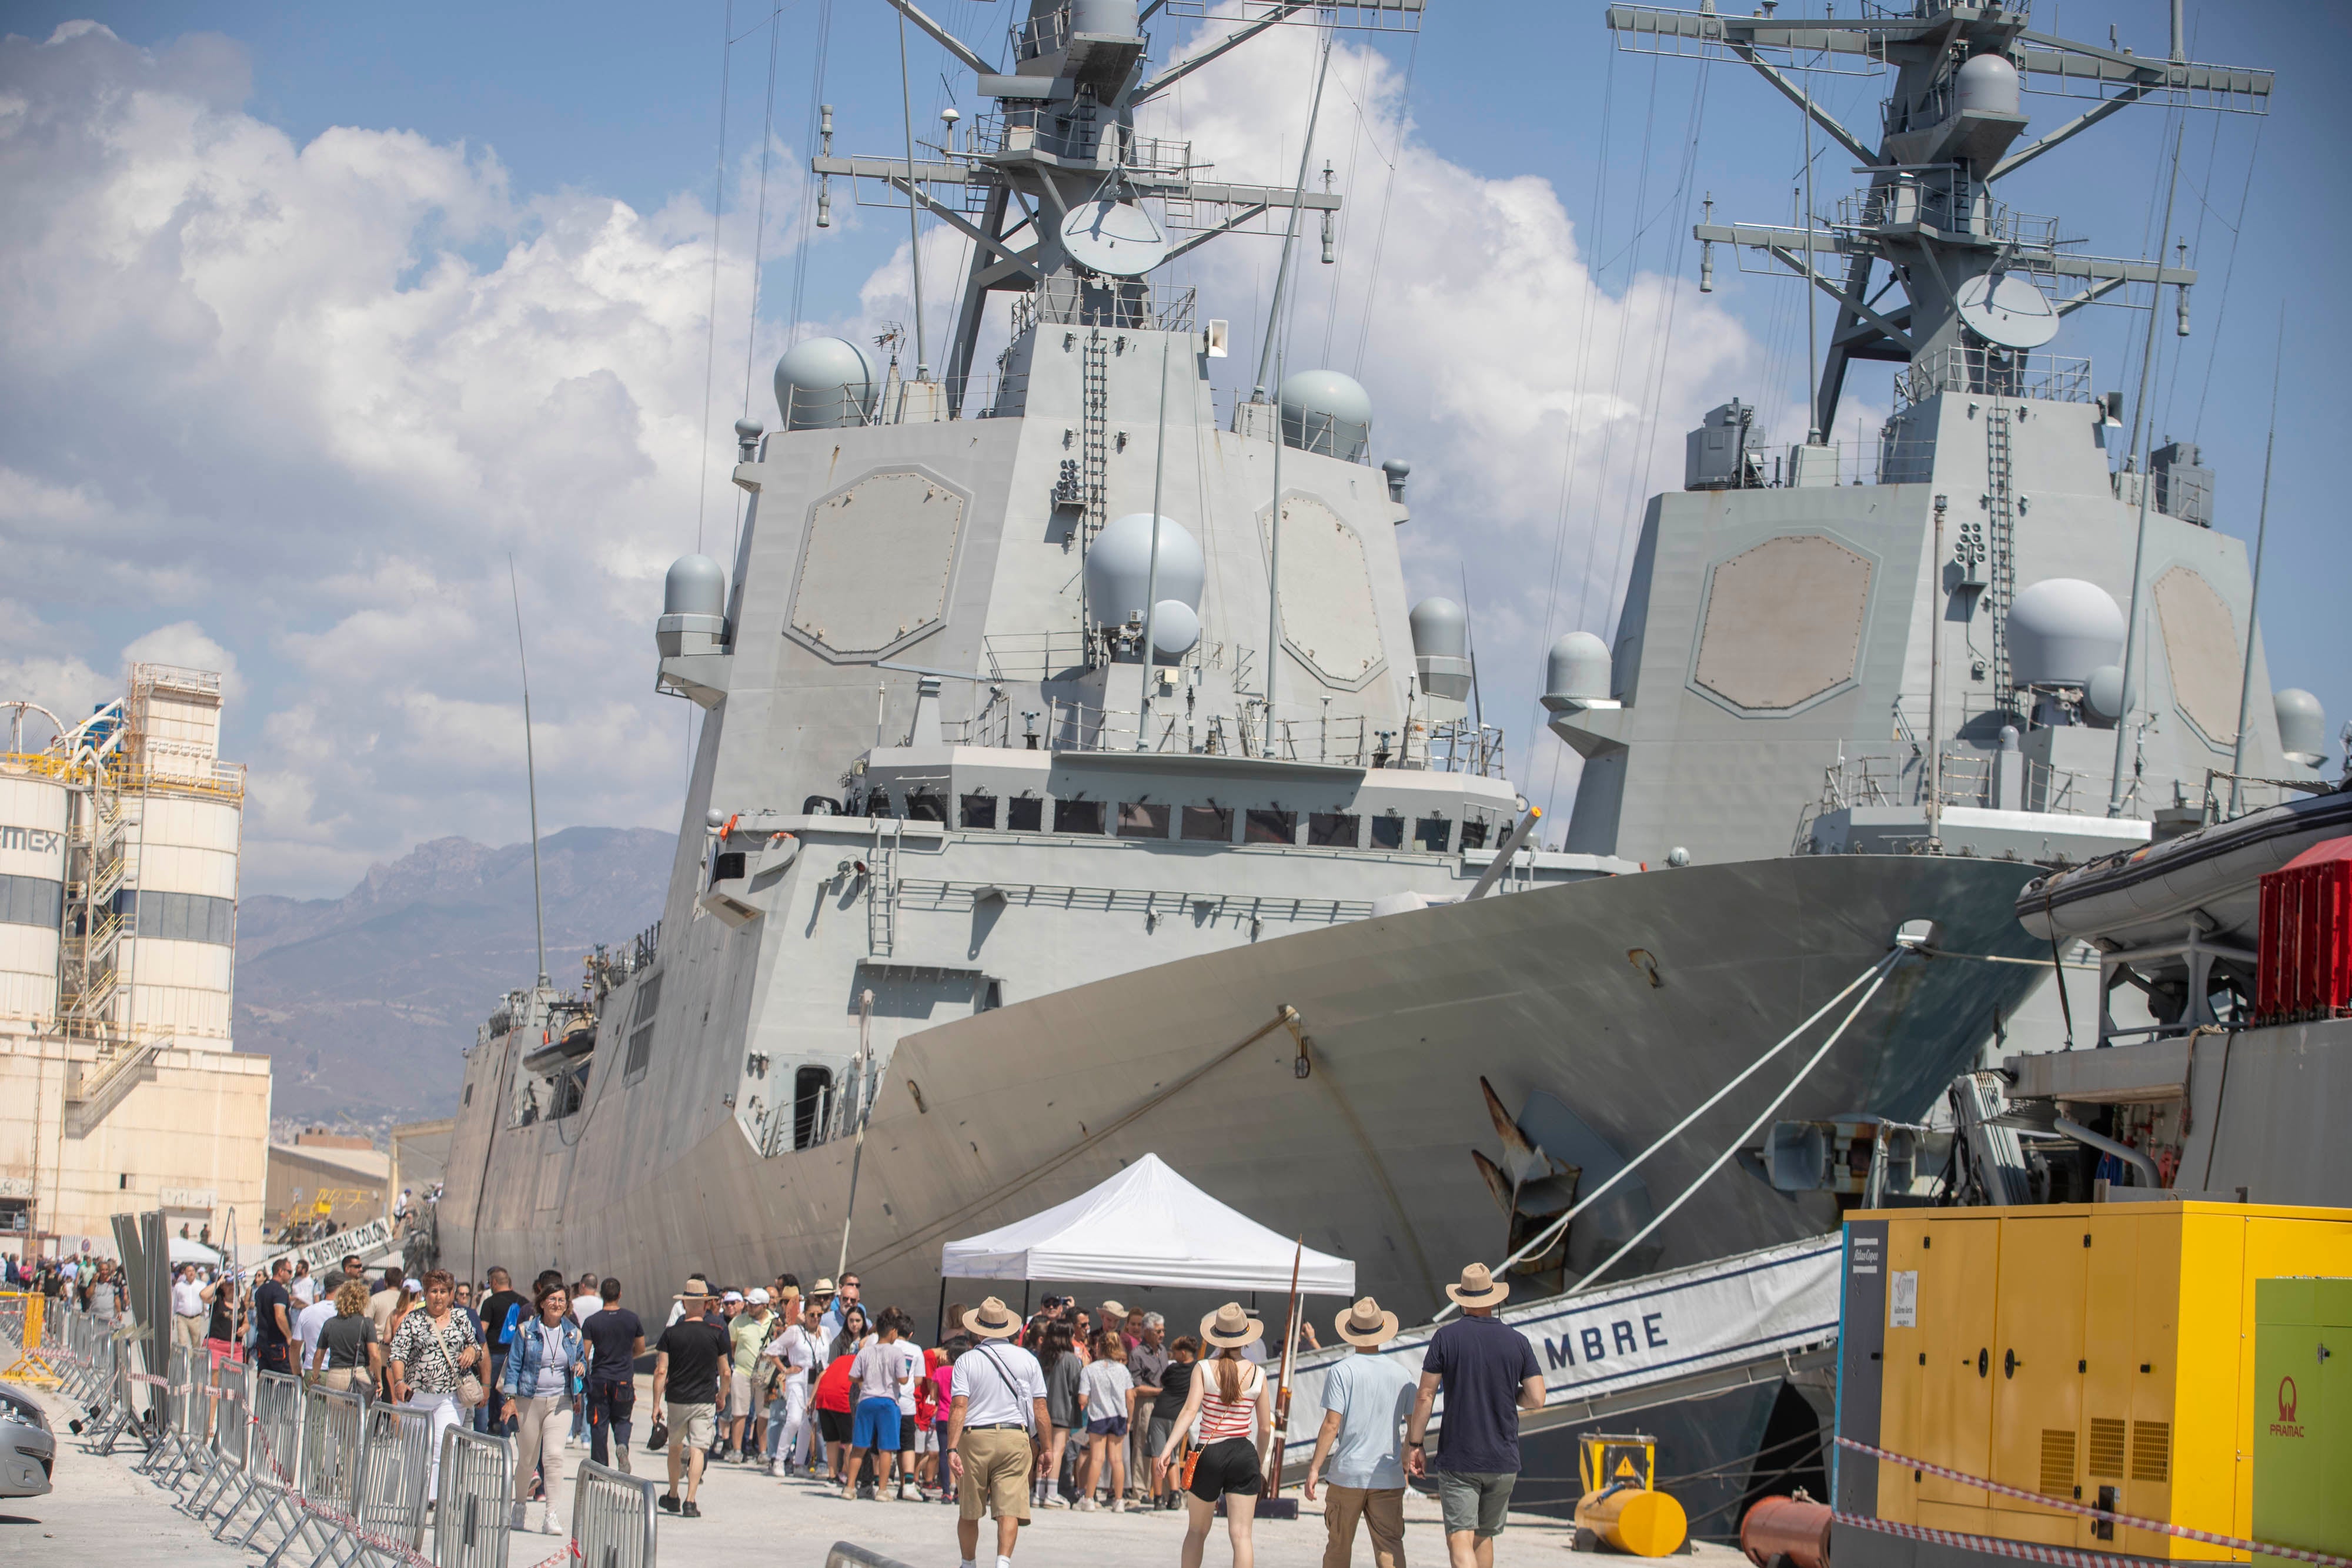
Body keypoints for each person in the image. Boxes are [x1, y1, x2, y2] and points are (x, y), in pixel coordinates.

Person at [1406, 1265, 1546, 1568]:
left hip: (1461, 1458)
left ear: (1462, 1301)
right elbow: (1537, 1398)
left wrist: (1415, 1444)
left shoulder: (1446, 1338)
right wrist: (1512, 1395)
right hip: (1504, 1458)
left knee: (1460, 1537)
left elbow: (1425, 1395)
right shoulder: (1517, 1341)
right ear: (1494, 1300)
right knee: (1483, 1537)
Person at [1159, 1304, 1274, 1568]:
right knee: (1242, 1536)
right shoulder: (1259, 1374)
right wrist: (1258, 1462)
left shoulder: (1204, 1368)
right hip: (1244, 1454)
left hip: (1209, 1453)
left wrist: (1168, 1450)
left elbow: (1189, 1412)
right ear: (1245, 1338)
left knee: (1197, 1532)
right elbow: (1265, 1428)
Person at [1305, 1297, 1414, 1568]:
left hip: (1348, 1473)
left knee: (1339, 1546)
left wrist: (1315, 1468)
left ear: (1351, 1332)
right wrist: (1407, 1458)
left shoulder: (1341, 1371)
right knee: (1389, 1546)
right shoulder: (1403, 1375)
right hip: (1387, 1474)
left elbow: (1332, 1423)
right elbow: (1414, 1426)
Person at [945, 1298, 1048, 1568]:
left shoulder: (967, 1361)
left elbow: (959, 1406)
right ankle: (1003, 1564)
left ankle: (969, 1564)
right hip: (1015, 1438)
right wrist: (1047, 1449)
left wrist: (951, 1447)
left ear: (978, 1330)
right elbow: (1040, 1409)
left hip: (974, 1437)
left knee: (969, 1509)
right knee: (1009, 1507)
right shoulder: (1028, 1359)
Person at [386, 1269, 485, 1502]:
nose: (438, 1297)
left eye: (443, 1292)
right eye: (433, 1291)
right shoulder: (413, 1319)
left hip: (450, 1397)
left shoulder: (461, 1319)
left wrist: (471, 1351)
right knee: (416, 1449)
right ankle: (416, 1497)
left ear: (451, 1294)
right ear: (425, 1293)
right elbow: (397, 1353)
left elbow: (477, 1347)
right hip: (416, 1396)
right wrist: (399, 1381)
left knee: (443, 1444)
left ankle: (436, 1498)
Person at [500, 1279, 585, 1536]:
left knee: (554, 1456)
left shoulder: (574, 1333)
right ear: (542, 1303)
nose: (557, 1304)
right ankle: (519, 1505)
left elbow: (580, 1361)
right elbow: (514, 1365)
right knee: (527, 1459)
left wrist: (581, 1368)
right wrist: (510, 1399)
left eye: (561, 1300)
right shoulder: (527, 1331)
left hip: (561, 1402)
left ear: (567, 1305)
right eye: (552, 1299)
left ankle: (551, 1515)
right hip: (529, 1400)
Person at [652, 1279, 731, 1519]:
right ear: (706, 1305)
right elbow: (726, 1371)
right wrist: (722, 1395)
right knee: (698, 1448)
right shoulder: (717, 1333)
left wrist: (656, 1404)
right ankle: (690, 1500)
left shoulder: (670, 1333)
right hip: (704, 1399)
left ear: (685, 1303)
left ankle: (673, 1495)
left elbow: (661, 1371)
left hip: (677, 1399)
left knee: (675, 1448)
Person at [841, 1306, 920, 1500]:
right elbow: (903, 1379)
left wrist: (865, 1382)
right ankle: (882, 1490)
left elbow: (852, 1376)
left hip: (866, 1400)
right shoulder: (896, 1353)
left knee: (860, 1446)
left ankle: (849, 1487)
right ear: (893, 1331)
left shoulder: (866, 1351)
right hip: (888, 1403)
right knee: (886, 1448)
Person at [582, 1276, 644, 1473]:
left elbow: (584, 1353)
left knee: (598, 1423)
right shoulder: (632, 1319)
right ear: (620, 1295)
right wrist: (627, 1357)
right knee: (623, 1419)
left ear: (602, 1296)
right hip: (623, 1378)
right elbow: (641, 1348)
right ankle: (622, 1445)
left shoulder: (592, 1322)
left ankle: (600, 1469)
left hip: (600, 1378)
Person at [763, 1296, 822, 1477]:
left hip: (815, 1381)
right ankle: (779, 1460)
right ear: (805, 1315)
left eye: (819, 1315)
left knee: (807, 1423)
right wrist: (786, 1369)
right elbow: (771, 1350)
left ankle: (799, 1464)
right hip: (798, 1379)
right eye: (812, 1314)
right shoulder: (795, 1332)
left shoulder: (824, 1333)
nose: (816, 1318)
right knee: (794, 1419)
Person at [1078, 1329, 1132, 1511]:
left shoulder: (1090, 1370)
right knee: (1117, 1459)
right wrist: (1129, 1419)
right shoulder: (1123, 1370)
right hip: (1119, 1415)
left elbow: (1082, 1399)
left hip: (1099, 1415)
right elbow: (1130, 1397)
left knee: (1097, 1458)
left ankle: (1089, 1499)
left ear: (1098, 1347)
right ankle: (1119, 1500)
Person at [1146, 1336, 1200, 1510]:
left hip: (1160, 1412)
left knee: (1158, 1454)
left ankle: (1159, 1497)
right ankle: (1175, 1495)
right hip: (1178, 1417)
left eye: (1176, 1352)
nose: (1174, 1355)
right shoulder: (1197, 1370)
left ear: (1183, 1353)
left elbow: (1164, 1381)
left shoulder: (1173, 1369)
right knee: (1173, 1455)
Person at [1034, 1320, 1080, 1508]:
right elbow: (1078, 1385)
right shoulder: (1070, 1359)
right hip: (1063, 1411)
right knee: (1057, 1451)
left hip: (1042, 1410)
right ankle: (1052, 1493)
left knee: (1043, 1449)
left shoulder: (1041, 1357)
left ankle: (1038, 1493)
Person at [477, 1267, 527, 1434]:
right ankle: (508, 1433)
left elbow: (482, 1329)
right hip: (516, 1355)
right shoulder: (523, 1302)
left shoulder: (490, 1302)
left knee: (485, 1392)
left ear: (494, 1282)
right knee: (508, 1394)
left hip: (494, 1354)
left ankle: (483, 1432)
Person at [727, 1286, 774, 1463]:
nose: (750, 1308)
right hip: (742, 1370)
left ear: (765, 1306)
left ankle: (763, 1452)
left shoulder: (774, 1321)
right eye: (749, 1304)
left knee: (764, 1413)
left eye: (755, 1305)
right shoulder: (738, 1322)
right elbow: (731, 1346)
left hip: (765, 1372)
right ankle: (737, 1450)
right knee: (739, 1412)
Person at [312, 1279, 383, 1396]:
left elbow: (318, 1356)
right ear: (363, 1300)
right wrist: (379, 1379)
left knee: (336, 1414)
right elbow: (375, 1355)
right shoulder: (366, 1323)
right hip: (360, 1375)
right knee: (360, 1413)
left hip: (335, 1376)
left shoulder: (330, 1324)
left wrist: (315, 1377)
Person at [1128, 1314, 1170, 1504]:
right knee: (1142, 1443)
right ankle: (1140, 1490)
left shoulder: (1163, 1351)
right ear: (1147, 1332)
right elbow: (1136, 1386)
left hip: (1162, 1402)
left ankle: (1161, 1489)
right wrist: (1160, 1391)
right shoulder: (1138, 1354)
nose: (1162, 1334)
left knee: (1162, 1445)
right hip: (1146, 1402)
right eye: (1158, 1331)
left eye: (1163, 1330)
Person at [252, 1257, 296, 1374]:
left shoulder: (261, 1290)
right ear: (281, 1272)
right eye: (289, 1272)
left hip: (263, 1342)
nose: (291, 1275)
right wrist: (289, 1336)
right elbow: (280, 1316)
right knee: (286, 1381)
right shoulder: (280, 1292)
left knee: (266, 1381)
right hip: (277, 1343)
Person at [295, 1284, 339, 1382]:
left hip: (314, 1370)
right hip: (339, 1372)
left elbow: (295, 1347)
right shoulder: (347, 1315)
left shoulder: (307, 1312)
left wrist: (298, 1374)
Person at [171, 1263, 209, 1354]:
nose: (191, 1273)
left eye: (193, 1271)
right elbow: (174, 1302)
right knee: (182, 1342)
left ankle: (195, 1366)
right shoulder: (179, 1286)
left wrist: (206, 1312)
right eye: (189, 1271)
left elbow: (206, 1300)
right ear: (185, 1273)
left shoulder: (202, 1285)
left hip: (196, 1318)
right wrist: (172, 1316)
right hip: (182, 1318)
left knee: (196, 1344)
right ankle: (183, 1364)